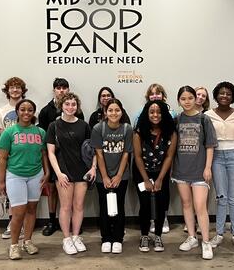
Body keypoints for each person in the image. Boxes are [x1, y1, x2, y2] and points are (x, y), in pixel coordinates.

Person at [0, 99, 49, 260]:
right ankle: (14, 245)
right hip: (15, 176)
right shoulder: (9, 132)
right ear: (17, 112)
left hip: (36, 175)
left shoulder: (40, 132)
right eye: (23, 110)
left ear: (34, 112)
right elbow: (2, 159)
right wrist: (1, 181)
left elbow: (43, 154)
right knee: (18, 213)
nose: (26, 113)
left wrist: (47, 173)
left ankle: (27, 241)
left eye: (30, 110)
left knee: (32, 210)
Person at [46, 92, 95, 255]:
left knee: (79, 206)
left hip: (81, 171)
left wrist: (93, 167)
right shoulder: (54, 126)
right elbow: (51, 153)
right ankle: (66, 239)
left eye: (73, 104)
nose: (70, 107)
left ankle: (75, 237)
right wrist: (58, 173)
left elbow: (93, 149)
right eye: (67, 104)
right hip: (63, 172)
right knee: (66, 207)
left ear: (77, 107)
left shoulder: (84, 125)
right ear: (62, 106)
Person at [172, 86, 217, 260]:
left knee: (200, 207)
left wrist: (207, 167)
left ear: (196, 99)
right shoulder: (177, 120)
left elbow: (210, 145)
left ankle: (206, 241)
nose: (187, 101)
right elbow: (173, 147)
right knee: (186, 204)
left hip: (199, 171)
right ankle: (192, 237)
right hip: (181, 170)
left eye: (190, 98)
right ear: (179, 101)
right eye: (183, 99)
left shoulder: (204, 119)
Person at [205, 81, 234, 251]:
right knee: (221, 197)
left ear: (233, 97)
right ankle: (219, 234)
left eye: (228, 93)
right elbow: (206, 142)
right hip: (216, 157)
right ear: (216, 95)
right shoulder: (208, 115)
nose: (225, 96)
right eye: (221, 93)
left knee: (233, 197)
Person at [38, 77, 84, 236]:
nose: (61, 90)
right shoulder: (47, 113)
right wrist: (54, 170)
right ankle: (53, 222)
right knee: (55, 193)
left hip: (78, 167)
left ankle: (75, 229)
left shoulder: (82, 121)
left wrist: (91, 167)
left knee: (77, 205)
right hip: (56, 162)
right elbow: (46, 145)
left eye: (64, 87)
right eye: (58, 87)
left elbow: (85, 145)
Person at [133, 100, 176, 253]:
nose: (155, 115)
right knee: (145, 204)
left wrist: (159, 179)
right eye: (152, 112)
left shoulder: (171, 132)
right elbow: (137, 157)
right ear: (147, 113)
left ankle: (157, 235)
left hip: (161, 173)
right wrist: (145, 179)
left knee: (161, 205)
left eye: (158, 112)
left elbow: (169, 157)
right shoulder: (139, 132)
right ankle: (144, 235)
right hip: (141, 173)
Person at [92, 98, 133, 254]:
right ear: (105, 112)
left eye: (117, 110)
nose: (114, 113)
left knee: (119, 207)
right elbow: (99, 155)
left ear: (121, 112)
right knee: (104, 207)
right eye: (110, 110)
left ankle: (118, 238)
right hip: (102, 176)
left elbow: (125, 154)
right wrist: (105, 177)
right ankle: (106, 238)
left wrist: (118, 176)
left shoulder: (127, 129)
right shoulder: (98, 129)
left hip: (121, 176)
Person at [0, 77, 28, 239]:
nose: (15, 90)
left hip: (25, 156)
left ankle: (23, 225)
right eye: (12, 88)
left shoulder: (29, 108)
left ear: (23, 90)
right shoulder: (1, 111)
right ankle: (12, 223)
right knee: (9, 192)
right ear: (7, 91)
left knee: (25, 193)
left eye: (18, 88)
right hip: (8, 156)